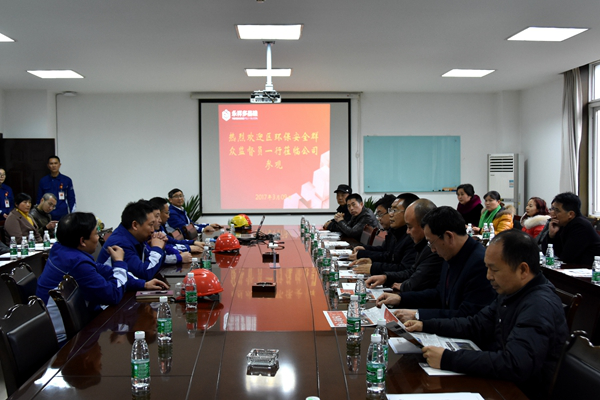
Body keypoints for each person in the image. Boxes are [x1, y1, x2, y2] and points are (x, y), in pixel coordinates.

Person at [405, 230, 568, 400]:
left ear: (522, 270)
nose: (488, 276)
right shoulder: (512, 292)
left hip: (519, 392)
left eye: (494, 269)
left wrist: (448, 359)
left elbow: (514, 364)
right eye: (487, 268)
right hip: (500, 382)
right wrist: (426, 324)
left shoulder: (539, 305)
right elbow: (475, 325)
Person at [35, 212, 167, 344]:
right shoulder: (77, 262)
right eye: (96, 234)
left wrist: (142, 284)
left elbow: (103, 270)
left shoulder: (63, 250)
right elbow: (113, 295)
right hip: (66, 341)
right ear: (82, 241)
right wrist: (119, 263)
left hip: (71, 326)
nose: (98, 238)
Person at [376, 206, 495, 322]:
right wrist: (401, 299)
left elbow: (467, 316)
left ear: (448, 236)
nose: (432, 250)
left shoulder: (479, 263)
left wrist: (418, 315)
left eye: (431, 242)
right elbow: (439, 294)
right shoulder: (452, 254)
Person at [366, 199, 444, 293]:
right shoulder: (421, 244)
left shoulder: (434, 248)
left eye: (410, 227)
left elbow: (415, 281)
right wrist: (386, 277)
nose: (407, 231)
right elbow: (412, 271)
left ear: (425, 226)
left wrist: (402, 290)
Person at [97, 201, 167, 282]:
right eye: (151, 225)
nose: (153, 230)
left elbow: (152, 266)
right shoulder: (120, 243)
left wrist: (160, 247)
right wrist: (157, 249)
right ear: (135, 225)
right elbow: (144, 274)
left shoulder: (136, 237)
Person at [351, 194, 419, 275]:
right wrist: (369, 257)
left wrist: (374, 267)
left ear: (409, 213)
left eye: (395, 210)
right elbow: (387, 255)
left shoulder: (412, 237)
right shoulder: (394, 232)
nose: (391, 214)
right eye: (390, 210)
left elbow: (404, 269)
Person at [541, 192, 600, 266]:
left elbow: (566, 257)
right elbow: (547, 252)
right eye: (552, 209)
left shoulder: (580, 226)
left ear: (570, 214)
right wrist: (551, 235)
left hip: (590, 269)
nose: (552, 213)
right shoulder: (562, 224)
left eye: (557, 210)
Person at [349, 193, 396, 261]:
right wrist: (364, 248)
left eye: (380, 214)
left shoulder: (404, 235)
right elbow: (384, 250)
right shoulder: (392, 231)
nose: (379, 218)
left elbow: (388, 257)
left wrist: (371, 264)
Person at [37, 155, 76, 221]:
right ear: (48, 165)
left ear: (59, 165)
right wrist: (38, 214)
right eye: (51, 164)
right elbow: (39, 199)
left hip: (62, 214)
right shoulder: (43, 181)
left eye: (55, 163)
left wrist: (73, 215)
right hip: (47, 214)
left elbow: (71, 199)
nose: (54, 165)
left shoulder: (67, 180)